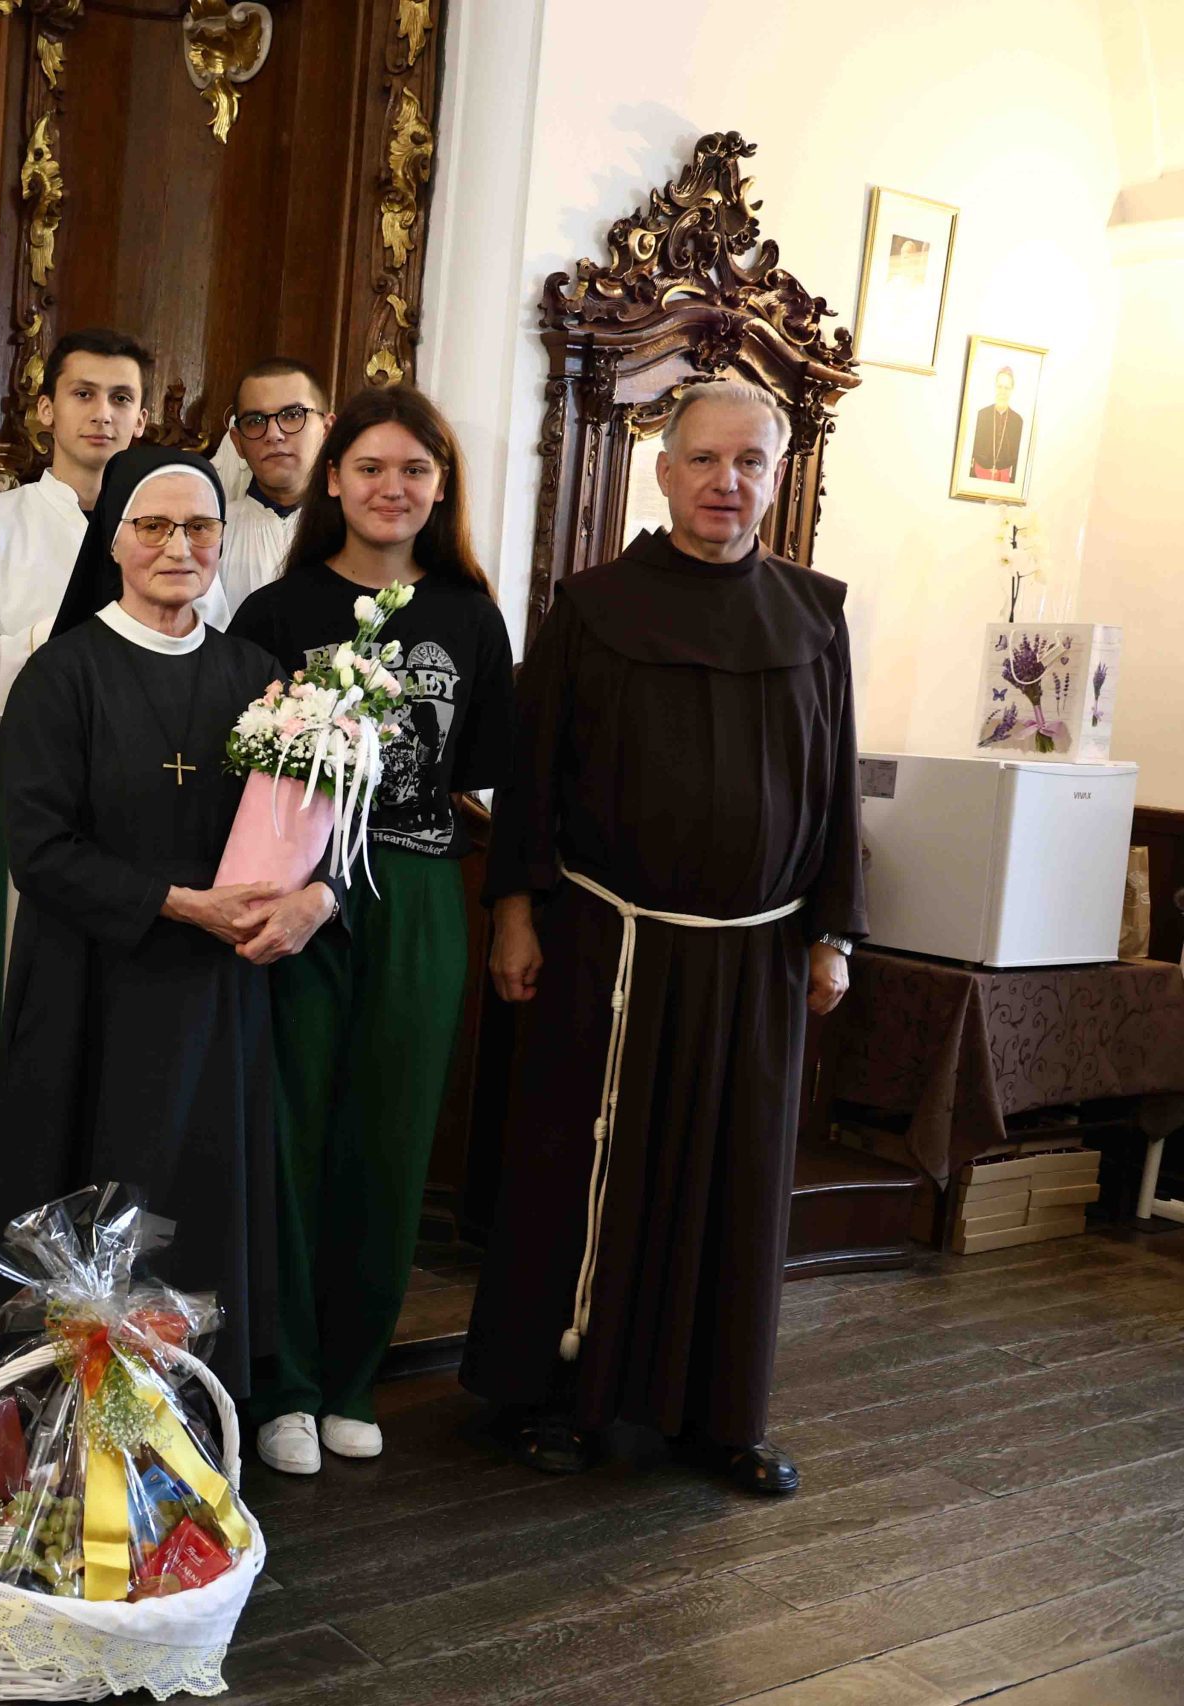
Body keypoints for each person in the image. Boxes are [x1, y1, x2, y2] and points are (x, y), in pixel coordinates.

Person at [460, 379, 863, 1498]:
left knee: (735, 1179)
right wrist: (513, 911)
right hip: (612, 944)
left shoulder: (815, 615)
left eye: (749, 462)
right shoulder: (593, 608)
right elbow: (534, 777)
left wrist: (834, 931)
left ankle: (718, 1415)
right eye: (705, 460)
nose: (726, 482)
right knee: (587, 1168)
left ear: (775, 477)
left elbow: (833, 784)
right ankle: (558, 1396)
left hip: (759, 955)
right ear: (664, 470)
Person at [0, 444, 347, 1399]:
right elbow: (38, 851)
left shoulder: (259, 675)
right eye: (154, 525)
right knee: (91, 1192)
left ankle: (191, 1406)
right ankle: (71, 1414)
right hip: (88, 991)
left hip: (216, 996)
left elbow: (321, 819)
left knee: (198, 1198)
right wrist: (179, 902)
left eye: (200, 526)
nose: (180, 546)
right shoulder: (62, 673)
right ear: (115, 539)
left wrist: (319, 894)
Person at [228, 385, 514, 1473]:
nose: (393, 488)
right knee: (291, 1135)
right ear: (334, 481)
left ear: (441, 488)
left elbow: (480, 776)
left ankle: (353, 1379)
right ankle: (285, 1385)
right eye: (371, 468)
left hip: (419, 894)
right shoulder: (277, 611)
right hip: (297, 894)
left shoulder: (470, 615)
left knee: (388, 1144)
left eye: (415, 470)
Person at [0, 328, 153, 1270]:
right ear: (45, 407)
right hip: (23, 780)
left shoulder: (167, 521)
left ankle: (99, 1252)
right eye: (84, 393)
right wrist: (67, 662)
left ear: (143, 416)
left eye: (122, 397)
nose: (103, 414)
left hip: (136, 802)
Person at [211, 357, 332, 619]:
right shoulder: (210, 535)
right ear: (238, 442)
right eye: (255, 420)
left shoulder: (356, 531)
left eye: (292, 415)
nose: (273, 434)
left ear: (326, 430)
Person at [968, 366, 1024, 482]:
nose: (1003, 391)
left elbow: (1018, 459)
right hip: (978, 475)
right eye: (1000, 387)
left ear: (1012, 390)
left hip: (1004, 480)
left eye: (1006, 388)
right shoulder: (981, 415)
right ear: (995, 387)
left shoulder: (1017, 421)